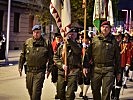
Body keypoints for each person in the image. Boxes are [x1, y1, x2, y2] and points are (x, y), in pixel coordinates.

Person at [83, 21, 121, 100]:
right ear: (100, 28)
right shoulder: (94, 40)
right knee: (95, 90)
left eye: (107, 27)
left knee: (106, 92)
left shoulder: (114, 41)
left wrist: (118, 72)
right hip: (96, 69)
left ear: (110, 29)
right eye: (103, 27)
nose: (105, 29)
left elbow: (117, 58)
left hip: (109, 69)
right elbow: (87, 54)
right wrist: (85, 66)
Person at [18, 25, 54, 100]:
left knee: (36, 93)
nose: (36, 34)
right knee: (30, 89)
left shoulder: (46, 43)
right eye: (34, 32)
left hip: (40, 72)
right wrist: (20, 66)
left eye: (38, 32)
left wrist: (49, 69)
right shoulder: (27, 42)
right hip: (29, 71)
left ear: (41, 32)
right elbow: (22, 55)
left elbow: (51, 57)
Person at [53, 28, 82, 100]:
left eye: (73, 34)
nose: (71, 35)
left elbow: (77, 51)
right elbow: (55, 57)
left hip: (73, 71)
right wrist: (61, 65)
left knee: (70, 94)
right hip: (62, 71)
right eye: (69, 34)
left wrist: (69, 41)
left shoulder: (78, 45)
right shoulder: (62, 46)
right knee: (60, 93)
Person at [78, 34, 92, 100]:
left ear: (88, 40)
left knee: (87, 79)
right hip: (79, 65)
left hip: (88, 65)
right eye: (82, 38)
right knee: (79, 80)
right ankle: (82, 90)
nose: (84, 40)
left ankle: (84, 94)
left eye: (85, 38)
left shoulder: (91, 47)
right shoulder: (78, 46)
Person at [51, 33, 63, 99]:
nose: (58, 39)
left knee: (61, 80)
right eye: (57, 37)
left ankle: (59, 92)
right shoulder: (52, 44)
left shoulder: (64, 44)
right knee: (54, 79)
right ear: (55, 38)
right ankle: (58, 90)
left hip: (61, 65)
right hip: (54, 65)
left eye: (59, 37)